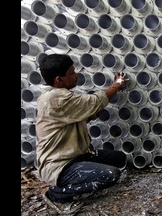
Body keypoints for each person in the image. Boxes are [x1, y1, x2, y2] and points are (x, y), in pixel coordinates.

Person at [35, 53, 129, 214]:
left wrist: (95, 108)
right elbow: (92, 102)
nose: (76, 75)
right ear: (59, 79)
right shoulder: (55, 99)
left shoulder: (59, 95)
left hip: (77, 155)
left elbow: (86, 111)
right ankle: (56, 194)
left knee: (119, 159)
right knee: (111, 175)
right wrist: (116, 86)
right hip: (60, 165)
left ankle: (80, 172)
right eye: (71, 73)